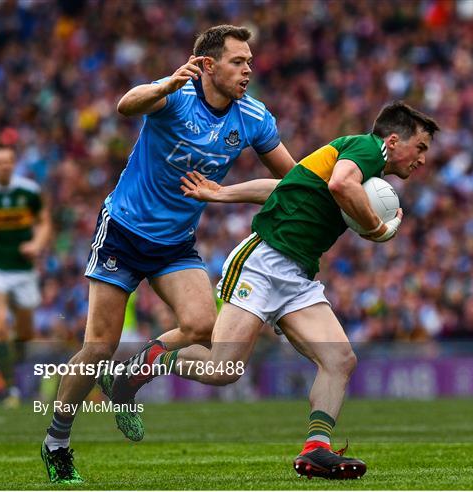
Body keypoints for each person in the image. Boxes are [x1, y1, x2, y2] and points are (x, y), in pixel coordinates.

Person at [106, 101, 440, 480]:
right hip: (263, 263)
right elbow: (340, 184)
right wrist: (379, 231)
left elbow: (286, 185)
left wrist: (222, 194)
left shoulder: (364, 167)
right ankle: (145, 363)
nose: (423, 159)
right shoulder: (367, 149)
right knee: (223, 369)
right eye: (422, 147)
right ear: (394, 141)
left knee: (340, 360)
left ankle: (316, 449)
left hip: (298, 277)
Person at [40, 25, 295, 484]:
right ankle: (57, 440)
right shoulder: (176, 94)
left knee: (202, 325)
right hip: (123, 231)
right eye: (238, 62)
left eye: (250, 62)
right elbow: (126, 104)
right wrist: (164, 84)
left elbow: (293, 183)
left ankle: (130, 378)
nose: (248, 70)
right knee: (99, 346)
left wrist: (229, 193)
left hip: (175, 242)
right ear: (208, 65)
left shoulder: (254, 117)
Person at [0, 144, 51, 408]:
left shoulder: (28, 192)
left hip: (24, 270)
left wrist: (37, 244)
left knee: (25, 333)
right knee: (0, 326)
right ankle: (10, 389)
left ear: (14, 164)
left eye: (8, 161)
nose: (4, 166)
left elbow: (44, 222)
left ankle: (11, 369)